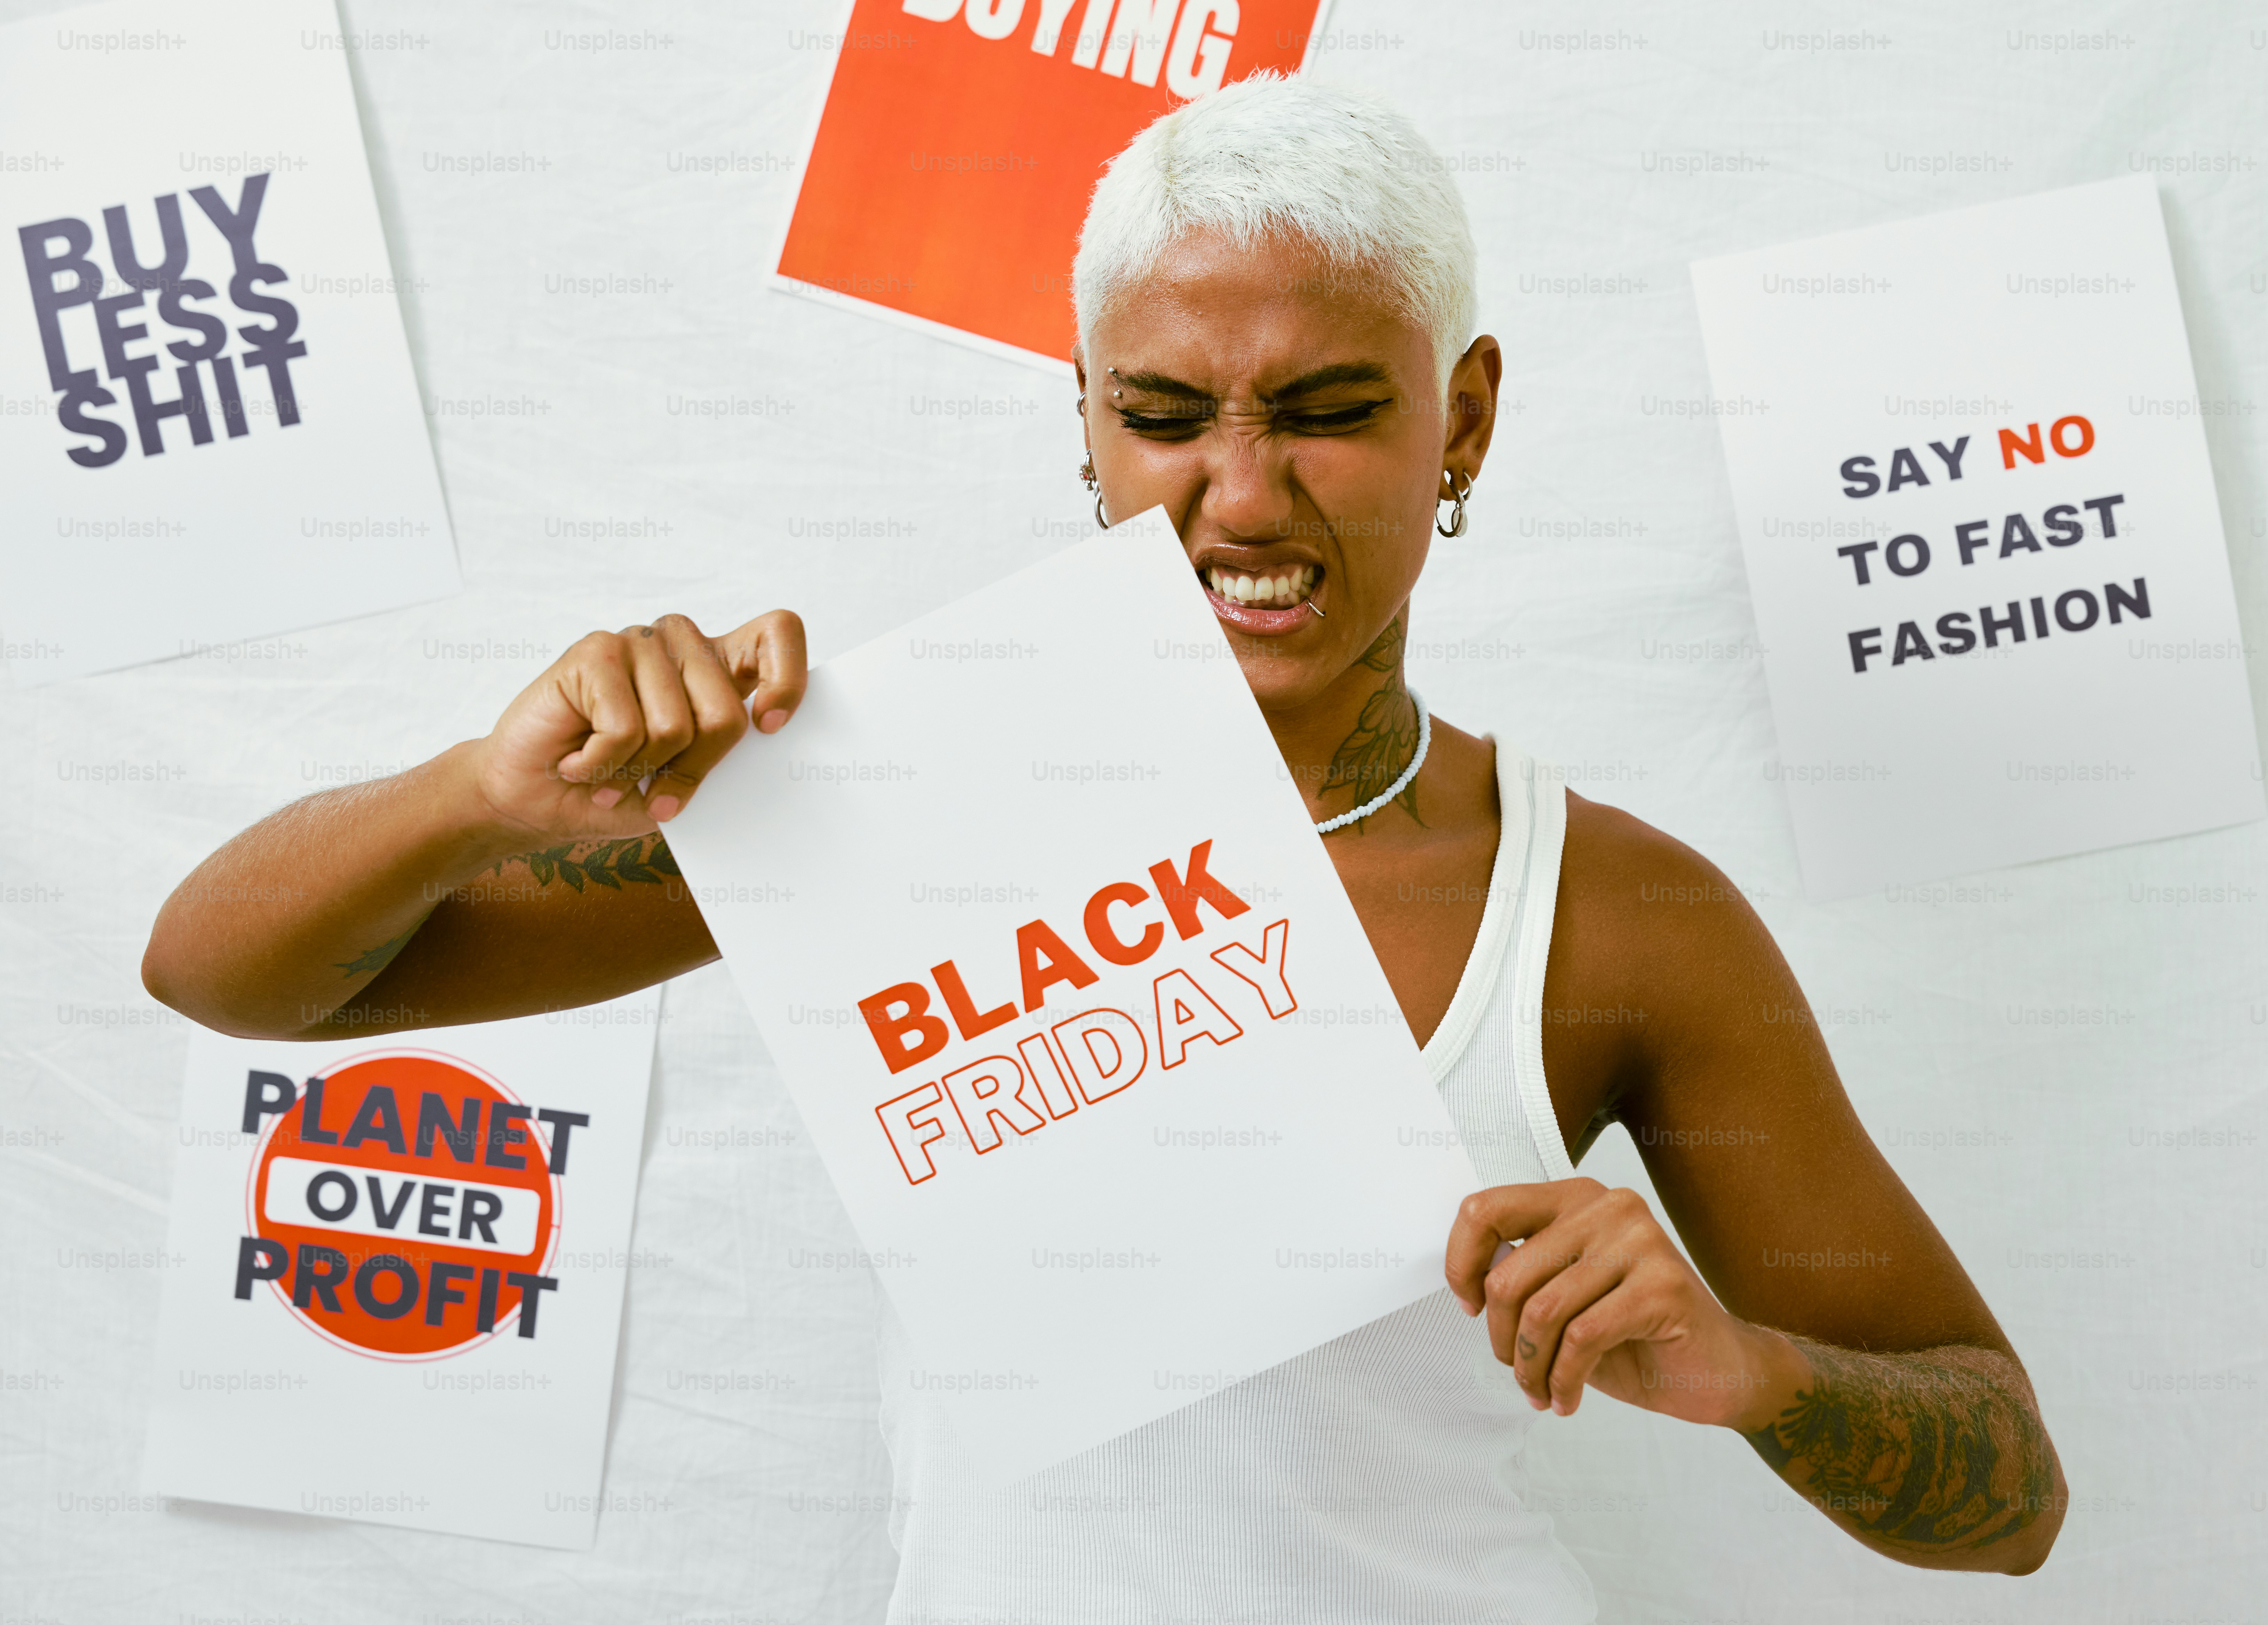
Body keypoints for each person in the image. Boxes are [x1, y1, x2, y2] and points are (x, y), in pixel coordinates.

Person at [145, 72, 2063, 1621]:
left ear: (1464, 420)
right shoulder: (893, 799)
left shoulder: (1609, 914)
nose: (1243, 494)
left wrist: (1749, 1372)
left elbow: (2011, 1497)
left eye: (1329, 412)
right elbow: (229, 979)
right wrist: (478, 793)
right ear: (1085, 420)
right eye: (1163, 417)